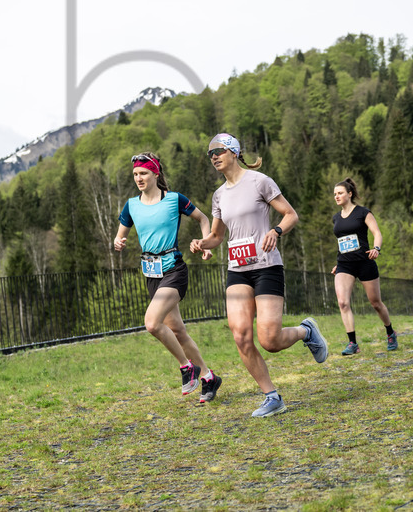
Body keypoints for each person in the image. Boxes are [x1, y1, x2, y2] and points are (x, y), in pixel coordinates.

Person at [190, 133, 327, 418]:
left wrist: (275, 231)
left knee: (270, 340)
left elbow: (290, 215)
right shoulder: (219, 195)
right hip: (237, 271)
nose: (213, 157)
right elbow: (216, 235)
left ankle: (306, 331)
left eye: (218, 151)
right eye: (209, 154)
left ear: (234, 152)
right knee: (241, 336)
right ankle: (272, 396)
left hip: (266, 266)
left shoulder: (259, 181)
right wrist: (203, 243)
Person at [114, 152, 223, 403]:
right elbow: (120, 236)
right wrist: (119, 242)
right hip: (151, 274)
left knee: (152, 323)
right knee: (178, 331)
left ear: (155, 174)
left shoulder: (174, 200)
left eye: (143, 173)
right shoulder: (131, 205)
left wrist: (206, 244)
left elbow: (203, 218)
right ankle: (208, 377)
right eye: (135, 175)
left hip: (173, 269)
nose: (138, 178)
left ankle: (187, 368)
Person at [330, 178, 397, 355]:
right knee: (343, 303)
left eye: (340, 193)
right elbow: (341, 242)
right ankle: (353, 343)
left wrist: (377, 248)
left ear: (349, 194)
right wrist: (338, 264)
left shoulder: (363, 212)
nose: (336, 196)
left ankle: (390, 333)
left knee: (375, 303)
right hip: (344, 265)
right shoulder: (336, 218)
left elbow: (377, 233)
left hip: (365, 262)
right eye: (335, 194)